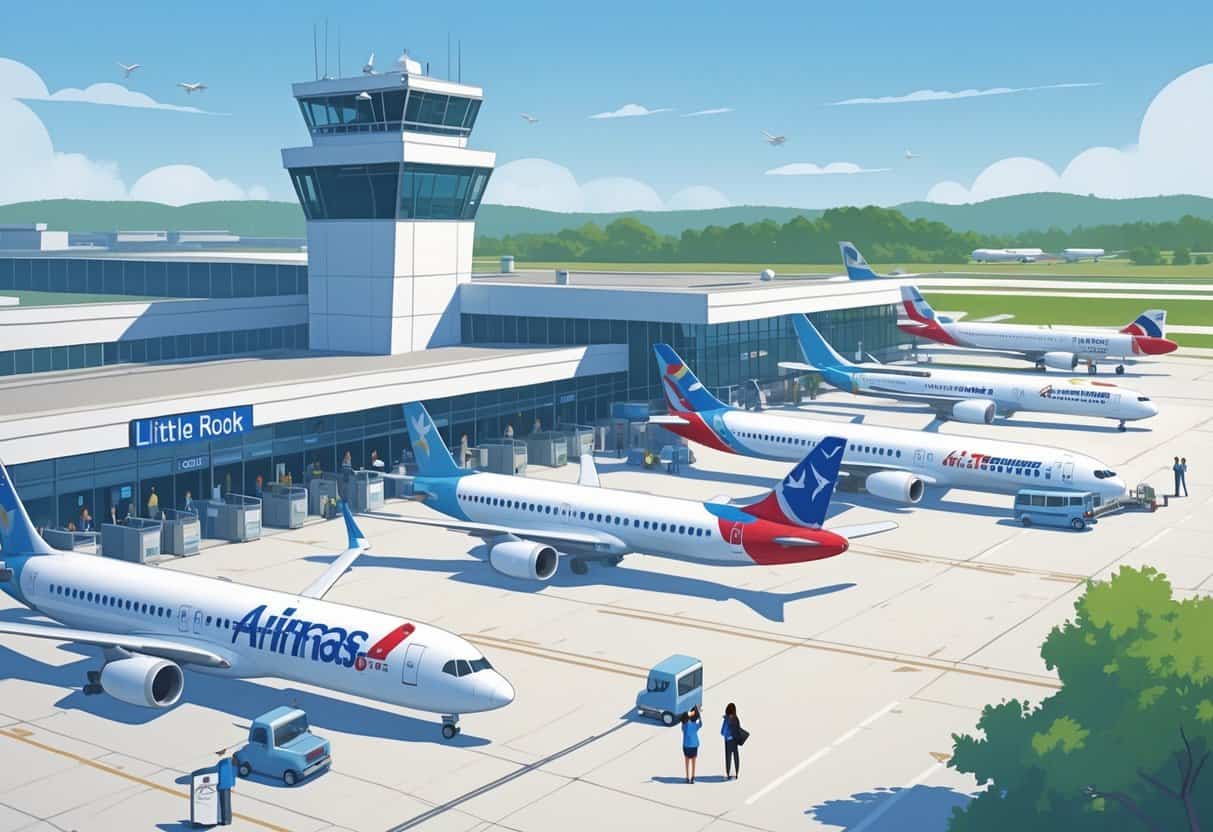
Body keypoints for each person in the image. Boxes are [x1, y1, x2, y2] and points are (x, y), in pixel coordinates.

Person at [680, 707, 702, 784]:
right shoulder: (695, 725)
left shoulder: (684, 726)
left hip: (686, 745)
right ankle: (693, 777)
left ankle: (687, 777)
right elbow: (701, 724)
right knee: (693, 762)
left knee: (687, 762)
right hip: (694, 745)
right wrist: (699, 715)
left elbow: (683, 719)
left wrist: (688, 714)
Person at [721, 703, 742, 780]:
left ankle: (728, 773)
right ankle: (736, 773)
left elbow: (723, 731)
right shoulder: (736, 718)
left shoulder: (727, 720)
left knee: (728, 757)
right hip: (735, 740)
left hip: (728, 740)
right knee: (736, 756)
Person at [216, 754, 235, 826]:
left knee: (222, 804)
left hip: (222, 785)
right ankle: (227, 819)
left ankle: (224, 820)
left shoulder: (222, 763)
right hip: (227, 785)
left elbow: (221, 774)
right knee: (227, 803)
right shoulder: (229, 760)